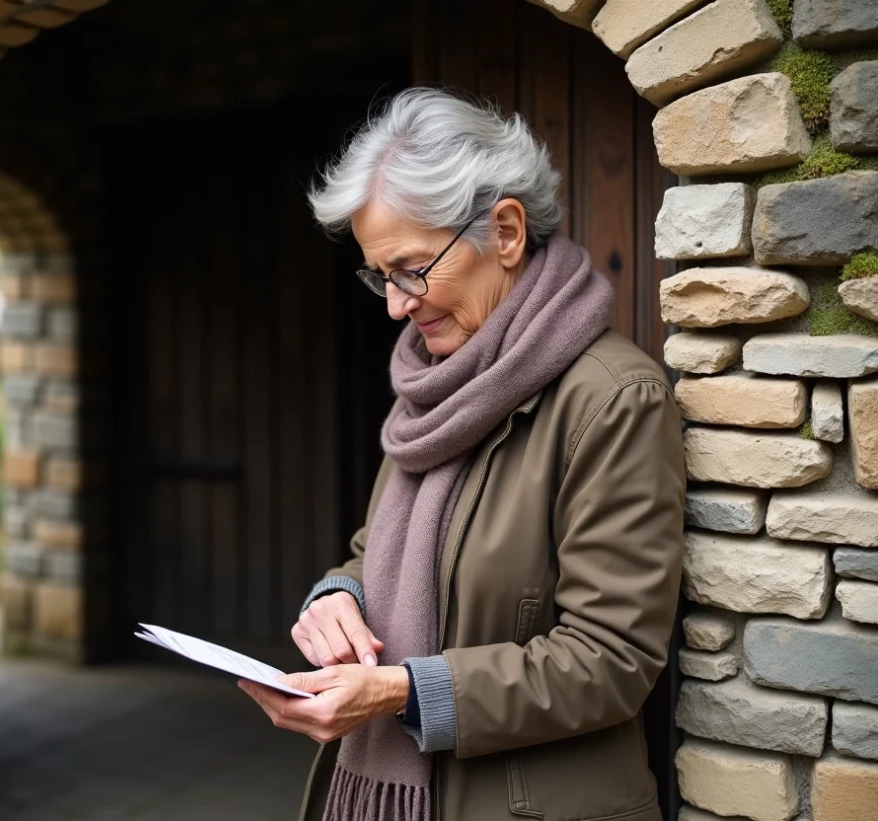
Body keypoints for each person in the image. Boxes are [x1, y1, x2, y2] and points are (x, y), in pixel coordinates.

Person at [237, 88, 685, 821]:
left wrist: (403, 691)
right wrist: (337, 599)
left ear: (505, 231)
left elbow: (612, 660)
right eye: (380, 276)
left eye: (411, 268)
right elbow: (375, 552)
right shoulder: (433, 385)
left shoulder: (612, 399)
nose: (396, 304)